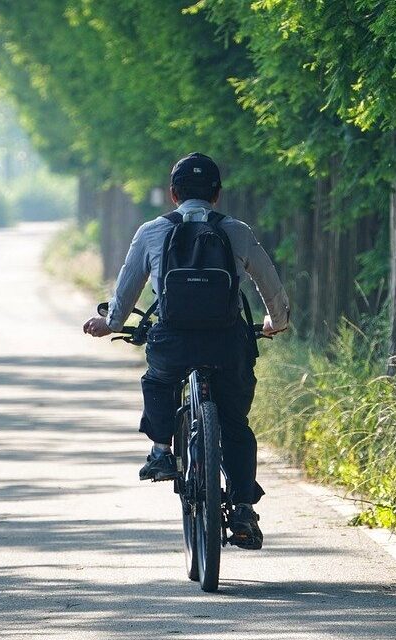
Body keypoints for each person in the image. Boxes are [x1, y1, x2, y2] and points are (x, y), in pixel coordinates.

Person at [82, 153, 290, 550]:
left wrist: (109, 322)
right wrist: (275, 322)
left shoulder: (151, 231)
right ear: (217, 194)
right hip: (228, 342)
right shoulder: (236, 230)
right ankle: (243, 506)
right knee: (234, 423)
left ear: (173, 194)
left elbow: (126, 291)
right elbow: (269, 282)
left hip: (173, 341)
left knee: (158, 379)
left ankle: (161, 450)